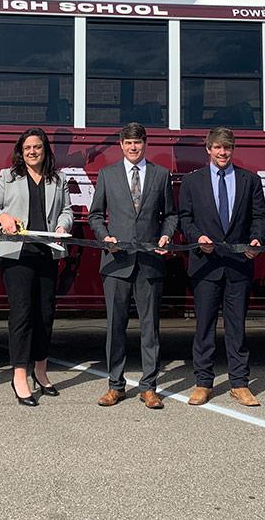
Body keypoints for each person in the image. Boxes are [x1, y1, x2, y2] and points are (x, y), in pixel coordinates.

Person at [86, 123, 177, 410]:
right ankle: (115, 385)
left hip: (150, 262)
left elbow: (170, 215)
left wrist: (166, 234)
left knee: (150, 328)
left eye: (137, 142)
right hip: (117, 262)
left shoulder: (161, 175)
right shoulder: (107, 174)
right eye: (128, 143)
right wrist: (104, 237)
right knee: (115, 327)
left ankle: (149, 387)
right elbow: (95, 216)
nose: (133, 147)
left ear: (144, 143)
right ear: (121, 145)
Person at [0, 127, 74, 407]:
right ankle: (19, 375)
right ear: (20, 152)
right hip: (16, 256)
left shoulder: (59, 179)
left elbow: (67, 211)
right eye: (27, 148)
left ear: (45, 150)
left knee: (45, 315)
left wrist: (62, 225)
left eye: (37, 147)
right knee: (22, 315)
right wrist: (3, 219)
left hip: (47, 253)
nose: (32, 152)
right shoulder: (7, 177)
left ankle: (41, 372)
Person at [177, 126, 265, 407]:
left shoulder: (249, 180)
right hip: (205, 265)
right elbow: (185, 218)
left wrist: (256, 239)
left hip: (239, 265)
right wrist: (196, 237)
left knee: (236, 327)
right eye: (217, 147)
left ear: (233, 149)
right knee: (204, 327)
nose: (222, 152)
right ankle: (203, 382)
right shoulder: (192, 182)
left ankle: (239, 383)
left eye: (227, 147)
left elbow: (259, 218)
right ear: (208, 149)